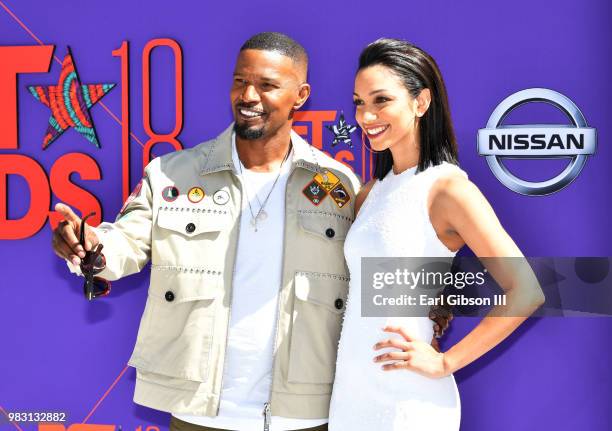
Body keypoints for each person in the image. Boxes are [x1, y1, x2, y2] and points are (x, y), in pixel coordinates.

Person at [51, 32, 450, 431]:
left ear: (301, 94)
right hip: (197, 412)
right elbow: (124, 243)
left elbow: (376, 265)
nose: (249, 96)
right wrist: (90, 247)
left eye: (268, 85)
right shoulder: (173, 173)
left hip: (303, 414)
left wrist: (430, 314)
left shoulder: (337, 184)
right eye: (241, 81)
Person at [328, 38, 545, 431]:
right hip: (351, 395)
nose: (366, 115)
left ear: (421, 102)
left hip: (408, 404)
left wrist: (446, 362)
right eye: (359, 102)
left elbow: (526, 290)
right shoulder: (370, 192)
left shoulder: (447, 188)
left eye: (381, 100)